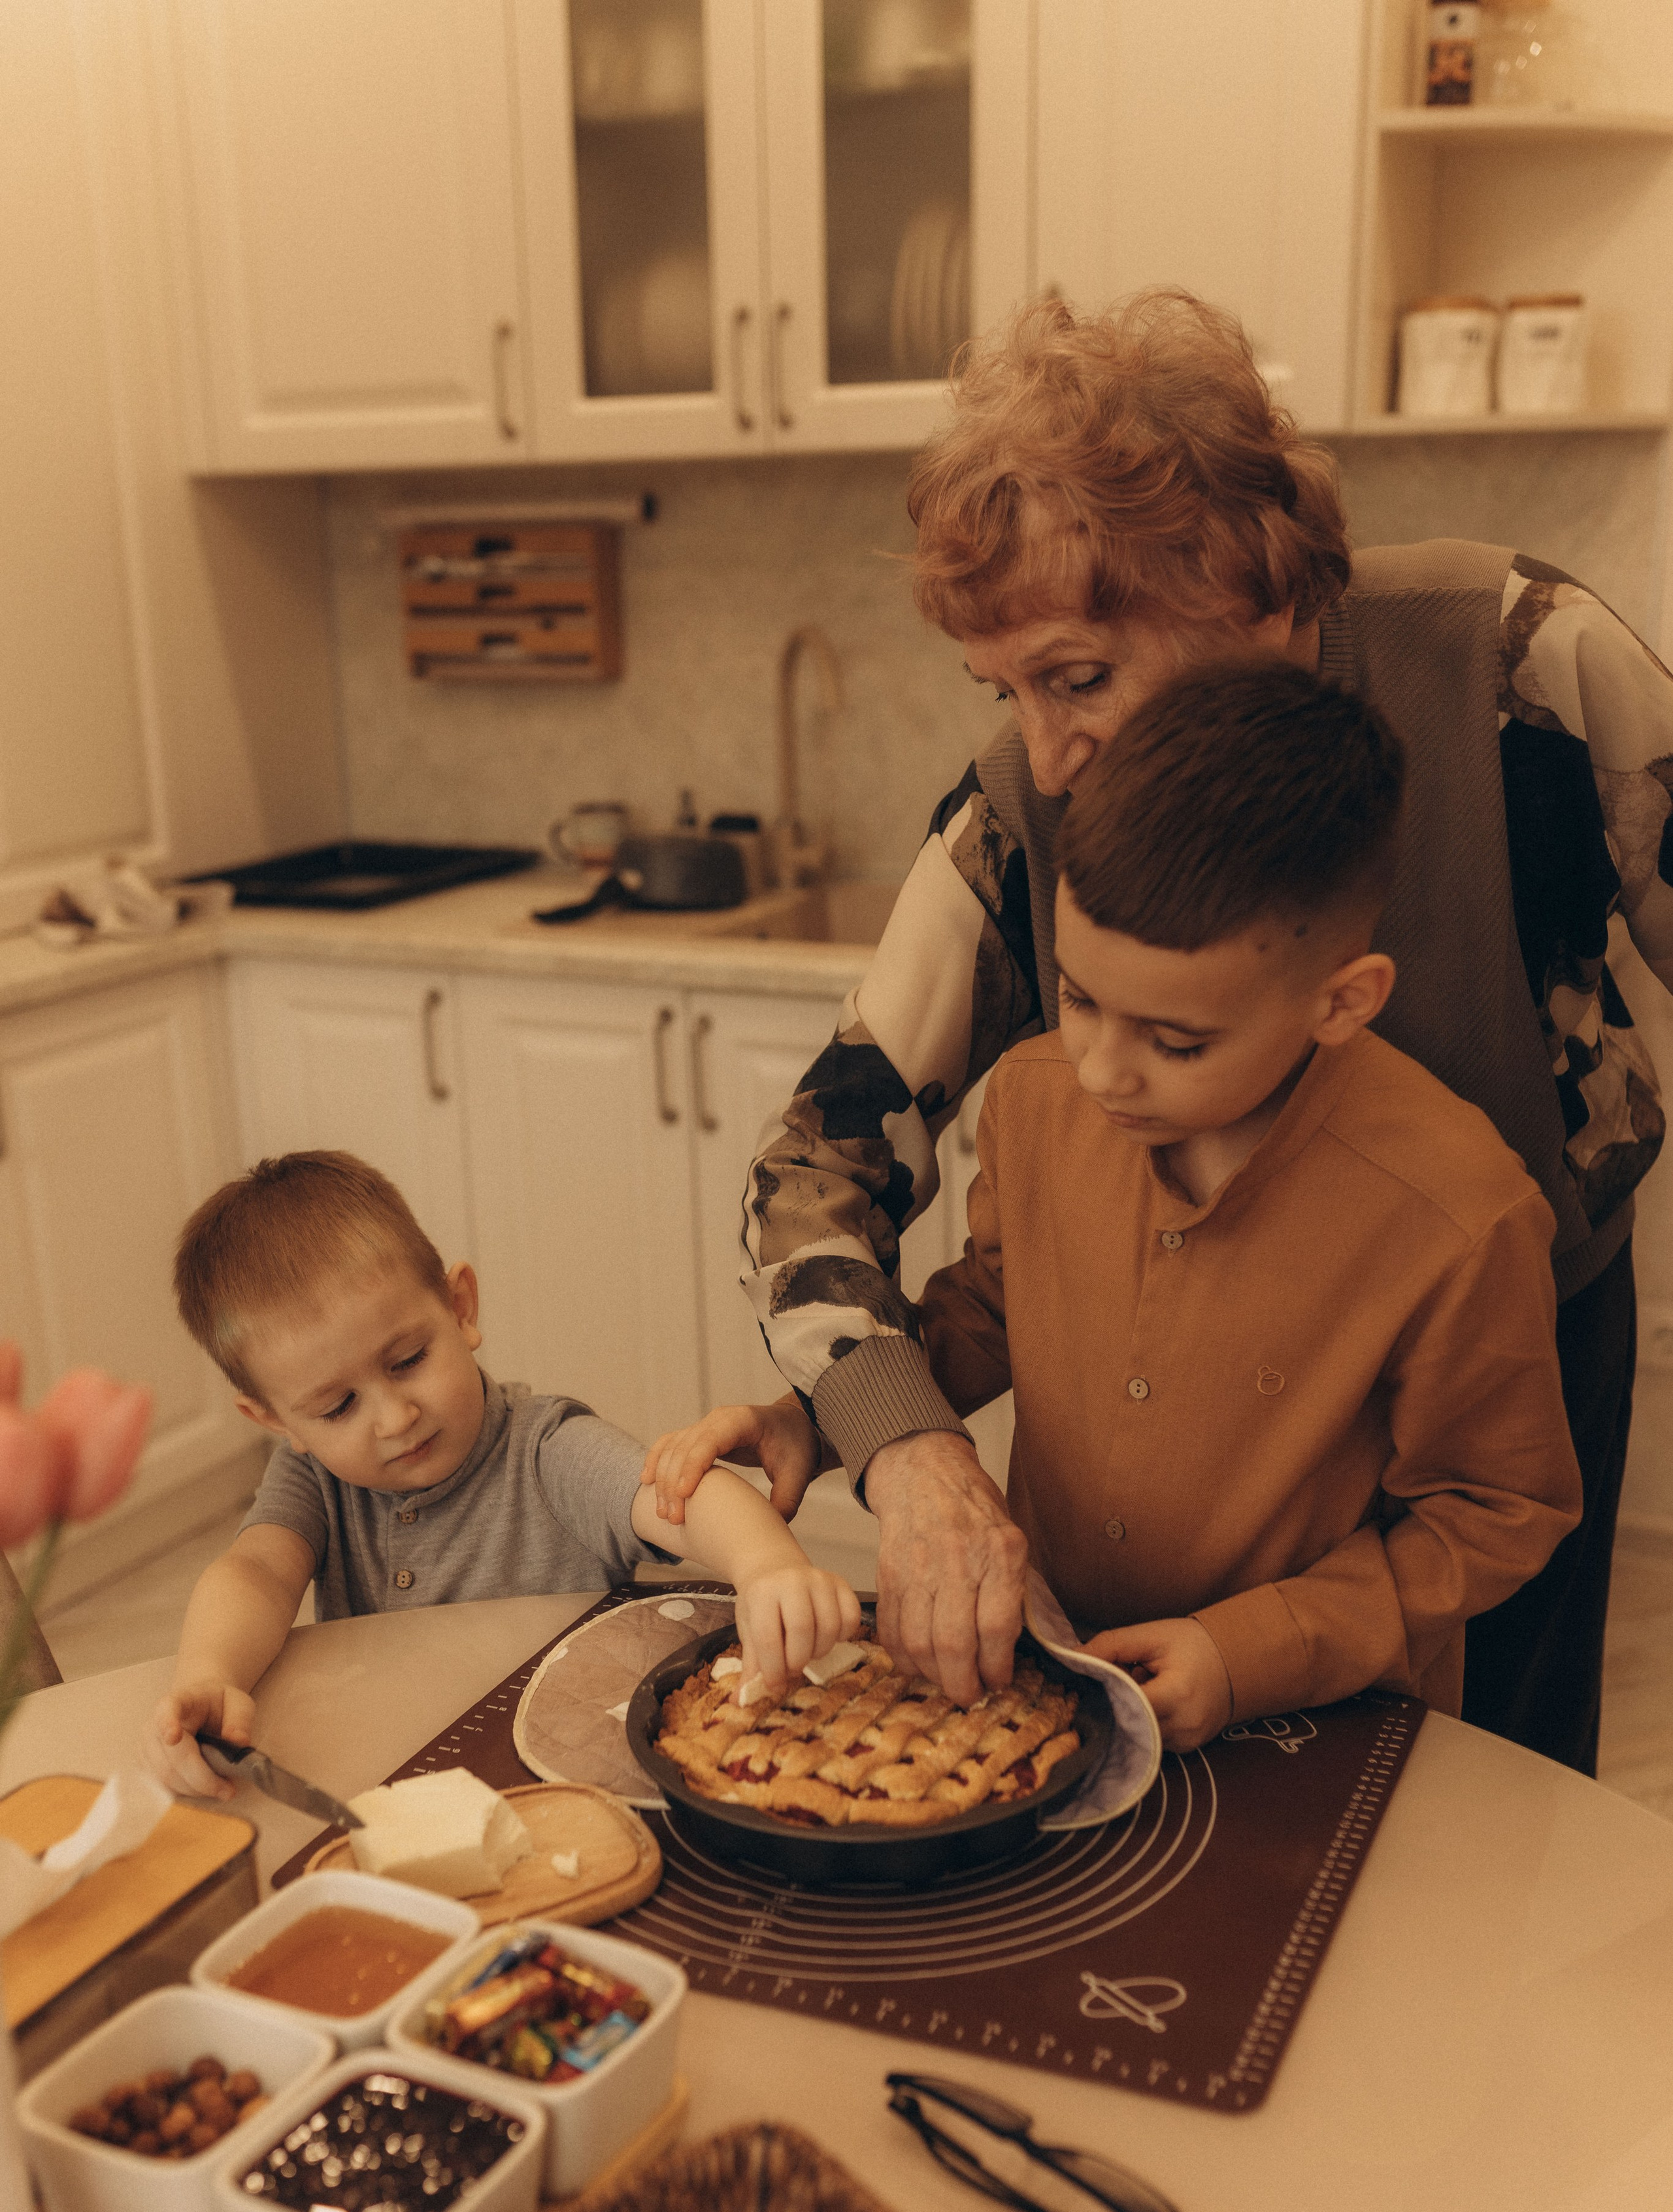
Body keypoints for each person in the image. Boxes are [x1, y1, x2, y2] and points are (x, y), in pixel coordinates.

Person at [650, 289, 1672, 1773]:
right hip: (1180, 1368)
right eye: (1002, 689)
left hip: (1499, 1342)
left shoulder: (1519, 666)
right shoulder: (1020, 803)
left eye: (1077, 674)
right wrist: (908, 1443)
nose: (1046, 754)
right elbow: (813, 1164)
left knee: (1487, 1791)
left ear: (1250, 585)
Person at [656, 662, 1583, 1743]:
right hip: (1049, 1675)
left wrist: (1252, 1651)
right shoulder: (1041, 1097)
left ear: (1342, 1001)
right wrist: (819, 1420)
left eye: (1177, 1042)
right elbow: (995, 1310)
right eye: (1083, 1001)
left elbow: (1496, 1512)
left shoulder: (1461, 1212)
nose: (1103, 1069)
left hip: (1312, 1729)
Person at [146, 1151, 858, 1800]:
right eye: (336, 1407)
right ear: (276, 1420)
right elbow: (256, 1575)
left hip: (567, 1777)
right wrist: (209, 1673)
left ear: (460, 1308)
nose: (394, 1418)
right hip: (406, 1777)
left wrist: (765, 1566)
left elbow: (682, 1493)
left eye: (408, 1361)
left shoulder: (546, 1451)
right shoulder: (315, 1482)